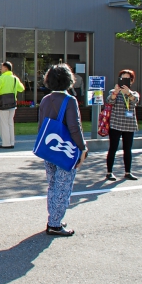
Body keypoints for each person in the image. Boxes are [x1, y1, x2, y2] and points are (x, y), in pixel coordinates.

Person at [37, 64, 87, 237]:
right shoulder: (69, 100)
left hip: (48, 148)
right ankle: (55, 224)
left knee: (52, 185)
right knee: (63, 186)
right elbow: (75, 127)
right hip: (66, 149)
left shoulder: (45, 100)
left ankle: (53, 218)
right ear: (68, 80)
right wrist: (83, 148)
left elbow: (41, 125)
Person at [106, 69, 140, 181]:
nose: (125, 80)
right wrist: (116, 92)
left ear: (131, 81)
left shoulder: (134, 93)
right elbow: (109, 101)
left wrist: (128, 93)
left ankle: (128, 172)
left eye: (128, 78)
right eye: (123, 78)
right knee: (113, 148)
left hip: (129, 125)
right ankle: (109, 172)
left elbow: (135, 101)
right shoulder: (114, 91)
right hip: (116, 123)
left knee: (127, 149)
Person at [0, 61, 24, 149]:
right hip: (12, 103)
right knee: (10, 123)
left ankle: (6, 143)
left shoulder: (2, 78)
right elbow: (21, 89)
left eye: (2, 67)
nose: (0, 69)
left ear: (5, 68)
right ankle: (11, 142)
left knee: (3, 124)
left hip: (2, 103)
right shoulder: (15, 78)